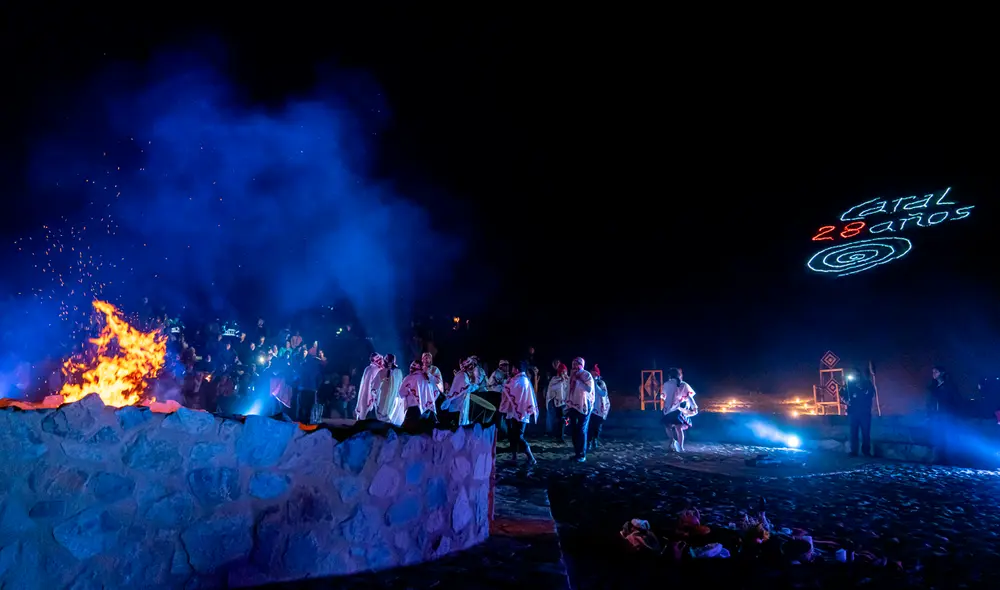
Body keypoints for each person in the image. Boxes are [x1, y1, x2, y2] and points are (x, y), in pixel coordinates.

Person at [500, 361, 538, 465]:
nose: (511, 370)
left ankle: (531, 457)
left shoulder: (522, 380)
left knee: (518, 436)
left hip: (521, 413)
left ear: (516, 369)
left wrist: (505, 384)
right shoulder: (516, 379)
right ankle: (514, 457)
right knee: (512, 435)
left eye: (513, 368)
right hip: (514, 413)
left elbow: (510, 389)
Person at [565, 357, 595, 462]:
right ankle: (577, 453)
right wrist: (567, 404)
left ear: (581, 365)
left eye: (576, 364)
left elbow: (589, 389)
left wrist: (578, 381)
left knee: (581, 430)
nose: (574, 366)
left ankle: (582, 454)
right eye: (572, 364)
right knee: (573, 430)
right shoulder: (571, 376)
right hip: (573, 406)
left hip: (584, 406)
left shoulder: (586, 375)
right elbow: (569, 390)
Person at [661, 368, 697, 452]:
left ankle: (672, 440)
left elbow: (663, 396)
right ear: (679, 375)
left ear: (670, 376)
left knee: (667, 427)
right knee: (679, 429)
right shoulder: (683, 384)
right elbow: (689, 397)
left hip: (667, 410)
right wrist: (694, 407)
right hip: (677, 409)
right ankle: (680, 447)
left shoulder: (666, 384)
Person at [927, 366, 958, 464]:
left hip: (946, 415)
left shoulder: (948, 387)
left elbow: (953, 400)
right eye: (933, 372)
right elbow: (931, 401)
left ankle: (945, 458)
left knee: (945, 436)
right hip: (936, 415)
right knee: (937, 436)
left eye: (936, 371)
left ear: (942, 373)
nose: (934, 374)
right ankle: (938, 457)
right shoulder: (934, 387)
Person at [844, 367, 874, 457]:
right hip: (853, 413)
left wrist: (862, 389)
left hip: (864, 412)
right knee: (853, 433)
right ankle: (854, 451)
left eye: (856, 375)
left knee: (865, 432)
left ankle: (866, 451)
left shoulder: (866, 383)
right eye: (853, 375)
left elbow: (871, 394)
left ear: (859, 375)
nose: (854, 377)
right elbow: (843, 395)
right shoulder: (849, 385)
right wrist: (846, 400)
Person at [400, 360, 438, 431]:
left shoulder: (409, 378)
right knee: (426, 433)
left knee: (410, 432)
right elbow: (436, 392)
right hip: (429, 410)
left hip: (414, 409)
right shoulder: (428, 377)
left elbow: (401, 392)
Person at [442, 356, 479, 427]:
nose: (471, 365)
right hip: (458, 405)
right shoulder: (462, 375)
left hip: (462, 402)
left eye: (470, 363)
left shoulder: (465, 374)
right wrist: (475, 385)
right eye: (468, 363)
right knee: (458, 425)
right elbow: (467, 387)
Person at [374, 354, 404, 426]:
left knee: (383, 413)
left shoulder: (384, 372)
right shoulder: (398, 372)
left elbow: (374, 385)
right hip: (390, 398)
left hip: (388, 397)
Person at [354, 353, 383, 420]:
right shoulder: (373, 369)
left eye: (379, 357)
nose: (380, 359)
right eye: (377, 358)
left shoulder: (372, 368)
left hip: (372, 395)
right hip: (371, 395)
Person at [589, 364, 610, 451]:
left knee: (597, 427)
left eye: (594, 374)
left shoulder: (601, 383)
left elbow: (603, 394)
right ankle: (589, 442)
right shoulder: (588, 382)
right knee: (590, 426)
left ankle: (595, 440)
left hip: (599, 408)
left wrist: (595, 384)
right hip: (590, 409)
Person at [545, 362, 569, 442]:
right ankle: (559, 436)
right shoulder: (555, 379)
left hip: (566, 403)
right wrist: (561, 381)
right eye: (562, 371)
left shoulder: (568, 379)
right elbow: (551, 389)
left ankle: (561, 434)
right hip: (558, 403)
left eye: (565, 371)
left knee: (564, 420)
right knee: (559, 419)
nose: (564, 373)